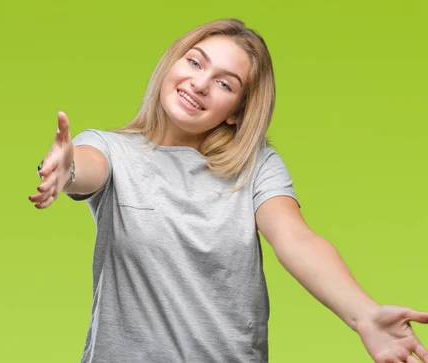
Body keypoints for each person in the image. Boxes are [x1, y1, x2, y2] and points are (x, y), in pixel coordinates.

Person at [29, 18, 428, 363]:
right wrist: (67, 168)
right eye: (194, 62)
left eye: (224, 83)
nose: (199, 84)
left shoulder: (256, 167)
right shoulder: (111, 149)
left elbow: (296, 239)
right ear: (172, 63)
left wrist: (363, 314)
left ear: (237, 111)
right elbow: (86, 167)